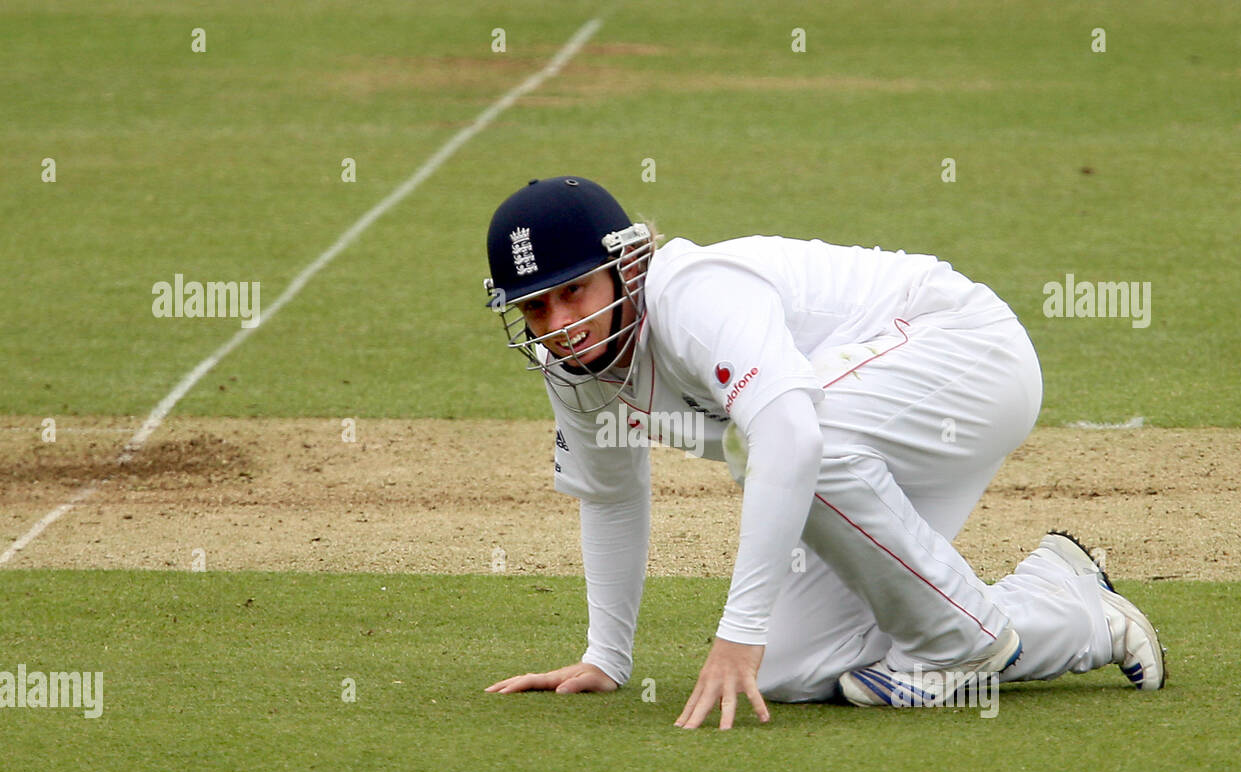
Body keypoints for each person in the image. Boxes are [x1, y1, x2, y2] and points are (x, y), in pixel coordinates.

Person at [481, 175, 1166, 729]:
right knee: (789, 670)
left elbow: (792, 438)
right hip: (867, 439)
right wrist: (607, 657)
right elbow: (610, 494)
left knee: (792, 433)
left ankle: (964, 643)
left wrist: (736, 632)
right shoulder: (568, 366)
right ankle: (1066, 607)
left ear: (625, 265)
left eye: (573, 291)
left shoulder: (691, 294)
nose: (560, 325)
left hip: (967, 355)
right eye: (537, 308)